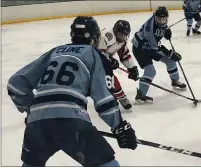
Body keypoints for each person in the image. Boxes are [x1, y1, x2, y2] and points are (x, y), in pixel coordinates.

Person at [7, 16, 137, 167]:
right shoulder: (95, 55)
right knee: (107, 164)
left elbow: (15, 85)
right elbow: (103, 99)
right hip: (71, 121)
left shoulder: (55, 52)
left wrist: (32, 110)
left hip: (37, 125)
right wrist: (119, 126)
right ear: (95, 37)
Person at [131, 6, 187, 103]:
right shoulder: (150, 29)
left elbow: (162, 26)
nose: (161, 21)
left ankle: (175, 81)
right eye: (159, 19)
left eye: (163, 19)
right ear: (156, 17)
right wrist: (169, 53)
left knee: (171, 61)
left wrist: (166, 30)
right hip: (141, 49)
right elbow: (155, 48)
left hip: (149, 47)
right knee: (151, 71)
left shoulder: (158, 20)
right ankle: (140, 95)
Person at [98, 20, 139, 110]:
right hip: (91, 59)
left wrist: (132, 68)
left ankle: (116, 97)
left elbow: (124, 54)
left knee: (107, 77)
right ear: (116, 31)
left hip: (101, 60)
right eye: (122, 34)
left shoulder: (122, 40)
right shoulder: (105, 36)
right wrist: (110, 60)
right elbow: (98, 53)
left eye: (126, 35)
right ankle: (121, 97)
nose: (124, 37)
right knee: (109, 77)